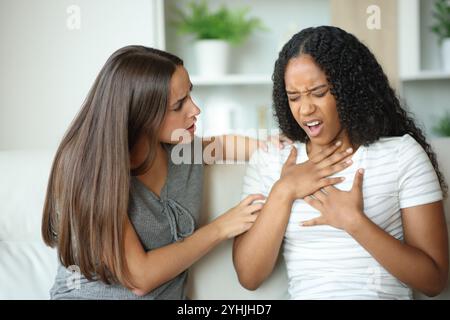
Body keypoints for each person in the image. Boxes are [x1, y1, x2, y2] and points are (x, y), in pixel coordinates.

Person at [41, 45, 350, 299]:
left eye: (190, 94)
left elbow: (226, 145)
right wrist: (221, 227)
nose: (195, 110)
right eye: (179, 105)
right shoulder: (87, 168)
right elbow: (141, 277)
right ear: (140, 114)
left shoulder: (180, 148)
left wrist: (286, 147)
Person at [233, 26, 449, 299]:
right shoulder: (270, 159)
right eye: (294, 97)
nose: (306, 108)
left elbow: (433, 281)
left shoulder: (401, 155)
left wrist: (354, 222)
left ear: (349, 89)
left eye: (319, 92)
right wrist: (283, 191)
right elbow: (249, 277)